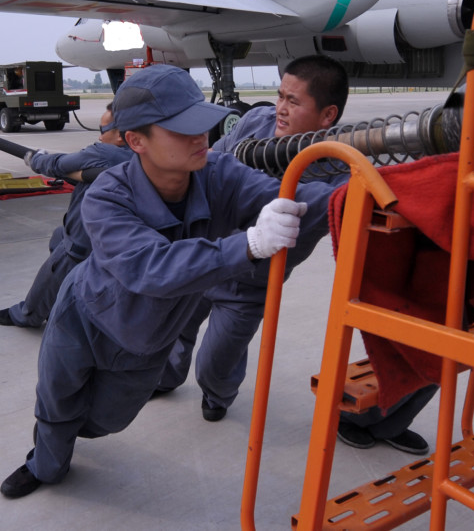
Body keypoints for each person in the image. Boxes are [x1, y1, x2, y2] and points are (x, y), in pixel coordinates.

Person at [1, 64, 338, 499]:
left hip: (146, 341)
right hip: (82, 320)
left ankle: (62, 433)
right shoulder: (107, 195)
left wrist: (366, 189)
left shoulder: (218, 173)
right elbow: (150, 267)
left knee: (105, 421)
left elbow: (294, 199)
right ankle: (45, 464)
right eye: (181, 130)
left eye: (201, 125)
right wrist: (248, 245)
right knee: (56, 402)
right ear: (136, 140)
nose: (201, 138)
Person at [158, 55, 434, 455]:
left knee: (216, 365)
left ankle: (216, 396)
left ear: (328, 115)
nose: (280, 109)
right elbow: (209, 160)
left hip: (248, 286)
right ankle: (166, 378)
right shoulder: (256, 123)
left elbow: (348, 212)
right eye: (279, 95)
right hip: (205, 256)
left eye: (293, 101)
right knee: (173, 333)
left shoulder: (341, 175)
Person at [0, 104, 132, 328]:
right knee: (58, 236)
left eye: (102, 129)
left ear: (120, 135)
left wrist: (36, 159)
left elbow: (56, 164)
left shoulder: (105, 153)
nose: (98, 137)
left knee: (49, 277)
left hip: (82, 242)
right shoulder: (144, 156)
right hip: (115, 241)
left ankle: (25, 315)